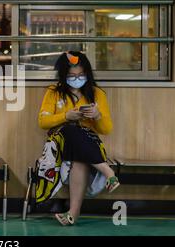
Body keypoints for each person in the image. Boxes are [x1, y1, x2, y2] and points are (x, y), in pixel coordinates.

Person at [37, 51, 119, 226]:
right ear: (63, 75)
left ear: (87, 74)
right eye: (71, 75)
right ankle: (108, 172)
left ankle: (72, 214)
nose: (77, 78)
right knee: (69, 129)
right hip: (60, 143)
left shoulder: (97, 94)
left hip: (89, 143)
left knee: (79, 152)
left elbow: (107, 129)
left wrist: (97, 116)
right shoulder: (53, 92)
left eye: (81, 75)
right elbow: (43, 121)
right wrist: (66, 116)